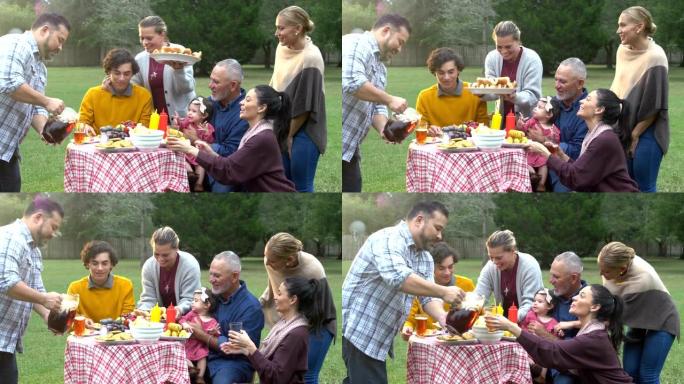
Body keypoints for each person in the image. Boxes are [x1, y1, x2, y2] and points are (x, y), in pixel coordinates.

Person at [342, 201, 465, 383]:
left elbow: (427, 298)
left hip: (378, 337)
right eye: (437, 228)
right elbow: (398, 278)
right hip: (361, 332)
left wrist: (443, 318)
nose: (440, 236)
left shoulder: (424, 257)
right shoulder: (387, 239)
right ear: (419, 220)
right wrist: (444, 291)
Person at [485, 284, 634, 383]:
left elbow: (553, 352)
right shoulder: (593, 332)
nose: (574, 298)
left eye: (581, 296)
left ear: (594, 306)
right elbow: (562, 356)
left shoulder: (593, 339)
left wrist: (512, 327)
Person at [167, 85, 296, 192]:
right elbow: (235, 165)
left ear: (261, 108)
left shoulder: (262, 138)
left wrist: (190, 149)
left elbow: (229, 171)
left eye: (248, 100)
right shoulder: (256, 132)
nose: (241, 102)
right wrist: (211, 153)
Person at [342, 14, 411, 192]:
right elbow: (352, 83)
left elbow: (376, 105)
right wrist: (390, 99)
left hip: (351, 146)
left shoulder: (380, 67)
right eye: (400, 42)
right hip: (340, 141)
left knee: (353, 188)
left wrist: (384, 129)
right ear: (386, 31)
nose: (400, 49)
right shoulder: (357, 44)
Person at [0, 13, 69, 191]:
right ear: (45, 30)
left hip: (7, 149)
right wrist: (47, 101)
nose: (60, 48)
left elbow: (35, 108)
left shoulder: (40, 68)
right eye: (59, 40)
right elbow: (9, 84)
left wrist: (44, 130)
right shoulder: (16, 44)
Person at [0, 196, 64, 384]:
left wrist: (49, 317)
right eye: (54, 227)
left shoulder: (33, 250)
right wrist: (44, 299)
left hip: (5, 344)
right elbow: (5, 281)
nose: (54, 234)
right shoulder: (11, 237)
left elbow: (36, 290)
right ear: (38, 217)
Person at [597, 242, 680, 383]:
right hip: (639, 321)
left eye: (606, 271)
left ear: (622, 268)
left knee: (648, 376)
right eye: (601, 269)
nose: (601, 274)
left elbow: (614, 313)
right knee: (630, 374)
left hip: (662, 320)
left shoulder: (643, 278)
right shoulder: (617, 265)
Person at [527, 88, 639, 192]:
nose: (581, 101)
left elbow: (576, 178)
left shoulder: (604, 139)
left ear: (599, 110)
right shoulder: (596, 134)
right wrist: (562, 156)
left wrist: (545, 153)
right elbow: (583, 171)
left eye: (588, 99)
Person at [260, 232, 336, 384]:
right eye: (266, 256)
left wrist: (295, 332)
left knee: (307, 376)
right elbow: (274, 285)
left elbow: (322, 310)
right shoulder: (270, 260)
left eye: (272, 260)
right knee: (285, 374)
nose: (267, 262)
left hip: (318, 325)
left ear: (289, 259)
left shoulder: (312, 270)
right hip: (287, 323)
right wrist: (260, 302)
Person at [611, 6, 669, 192]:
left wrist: (635, 135)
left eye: (622, 25)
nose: (618, 30)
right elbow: (619, 86)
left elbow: (656, 105)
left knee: (644, 186)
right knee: (625, 184)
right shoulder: (622, 50)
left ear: (638, 27)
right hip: (622, 127)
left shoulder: (656, 57)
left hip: (648, 130)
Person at [226, 277, 325, 384]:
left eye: (279, 294)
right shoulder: (284, 324)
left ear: (293, 300)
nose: (275, 298)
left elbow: (276, 377)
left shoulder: (296, 334)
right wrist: (245, 350)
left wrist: (251, 347)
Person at [271, 6, 327, 192]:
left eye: (281, 28)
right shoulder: (281, 48)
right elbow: (276, 83)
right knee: (283, 182)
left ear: (297, 28)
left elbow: (306, 106)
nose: (277, 33)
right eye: (277, 28)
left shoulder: (311, 57)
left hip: (305, 128)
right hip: (281, 124)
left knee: (301, 185)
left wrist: (289, 135)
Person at [187, 251, 264, 384]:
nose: (211, 279)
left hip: (233, 363)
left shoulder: (250, 307)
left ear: (234, 277)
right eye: (210, 274)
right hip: (201, 354)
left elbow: (235, 348)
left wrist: (203, 335)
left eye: (217, 275)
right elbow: (192, 315)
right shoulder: (212, 297)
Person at [531, 252, 587, 384]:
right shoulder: (551, 297)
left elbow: (573, 352)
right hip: (544, 360)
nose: (550, 280)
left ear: (573, 278)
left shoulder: (589, 301)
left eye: (556, 277)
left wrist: (544, 334)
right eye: (551, 275)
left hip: (569, 368)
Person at [401, 241, 475, 339]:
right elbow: (410, 320)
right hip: (430, 344)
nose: (447, 272)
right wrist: (407, 328)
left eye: (450, 267)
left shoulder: (466, 284)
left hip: (460, 341)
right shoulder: (420, 288)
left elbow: (478, 315)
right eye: (441, 268)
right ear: (430, 268)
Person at [133, 16, 195, 119]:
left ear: (162, 34)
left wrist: (179, 70)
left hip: (183, 119)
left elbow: (186, 89)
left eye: (149, 38)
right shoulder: (140, 59)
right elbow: (133, 87)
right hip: (155, 121)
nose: (144, 42)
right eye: (142, 38)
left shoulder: (179, 53)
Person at [474, 230, 543, 322]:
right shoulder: (490, 267)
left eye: (499, 258)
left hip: (528, 324)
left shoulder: (529, 266)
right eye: (491, 257)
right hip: (503, 322)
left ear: (512, 251)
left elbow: (530, 305)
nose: (494, 262)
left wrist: (508, 323)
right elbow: (479, 297)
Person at [541, 58, 589, 192]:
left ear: (580, 84)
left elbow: (578, 151)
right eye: (556, 79)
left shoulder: (589, 109)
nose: (556, 85)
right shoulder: (552, 103)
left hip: (569, 170)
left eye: (562, 81)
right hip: (544, 163)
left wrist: (543, 141)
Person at [79, 48, 152, 134]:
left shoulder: (144, 96)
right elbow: (81, 123)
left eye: (127, 74)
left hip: (132, 145)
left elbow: (145, 128)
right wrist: (84, 126)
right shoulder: (93, 94)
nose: (122, 78)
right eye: (117, 73)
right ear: (109, 72)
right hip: (98, 145)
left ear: (133, 73)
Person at [204, 59, 249, 192]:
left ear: (233, 85)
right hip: (203, 162)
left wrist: (197, 141)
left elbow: (230, 153)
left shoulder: (245, 112)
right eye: (211, 79)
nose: (210, 85)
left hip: (228, 172)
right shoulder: (209, 104)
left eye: (216, 82)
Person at [482, 21, 542, 118]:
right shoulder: (491, 58)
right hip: (502, 118)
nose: (504, 51)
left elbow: (533, 96)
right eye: (499, 47)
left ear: (518, 41)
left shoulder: (532, 59)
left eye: (508, 47)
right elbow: (493, 92)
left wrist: (515, 97)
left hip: (528, 120)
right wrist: (481, 93)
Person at [137, 226, 201, 316]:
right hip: (158, 319)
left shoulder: (190, 265)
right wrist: (143, 310)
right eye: (156, 254)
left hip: (187, 317)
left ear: (176, 249)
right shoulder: (149, 266)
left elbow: (190, 299)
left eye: (165, 255)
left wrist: (178, 310)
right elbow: (148, 298)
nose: (160, 259)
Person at [66, 240, 134, 324]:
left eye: (104, 263)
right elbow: (69, 318)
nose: (100, 268)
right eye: (95, 263)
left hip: (116, 334)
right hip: (85, 335)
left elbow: (128, 317)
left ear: (111, 264)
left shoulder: (125, 285)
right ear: (87, 264)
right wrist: (82, 321)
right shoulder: (74, 288)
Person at [178, 287, 219, 384]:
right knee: (183, 354)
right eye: (193, 300)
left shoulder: (212, 321)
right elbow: (182, 319)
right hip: (189, 344)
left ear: (207, 305)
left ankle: (199, 378)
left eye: (196, 301)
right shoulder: (192, 314)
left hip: (199, 346)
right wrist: (185, 324)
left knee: (202, 356)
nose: (192, 303)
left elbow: (213, 335)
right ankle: (192, 369)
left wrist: (214, 332)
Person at [519, 96, 560, 192]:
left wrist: (546, 140)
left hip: (541, 153)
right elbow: (524, 130)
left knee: (544, 165)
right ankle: (533, 174)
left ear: (549, 114)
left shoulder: (553, 129)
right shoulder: (532, 122)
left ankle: (541, 184)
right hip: (530, 151)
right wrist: (520, 126)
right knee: (525, 161)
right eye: (536, 106)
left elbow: (554, 142)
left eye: (539, 107)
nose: (535, 108)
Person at [174, 96, 215, 192]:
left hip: (197, 153)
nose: (189, 113)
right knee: (180, 157)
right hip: (186, 151)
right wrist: (178, 122)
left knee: (201, 165)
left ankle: (198, 184)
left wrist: (207, 133)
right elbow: (181, 127)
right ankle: (190, 173)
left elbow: (210, 141)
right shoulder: (187, 122)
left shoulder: (207, 127)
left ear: (204, 116)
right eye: (189, 110)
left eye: (194, 111)